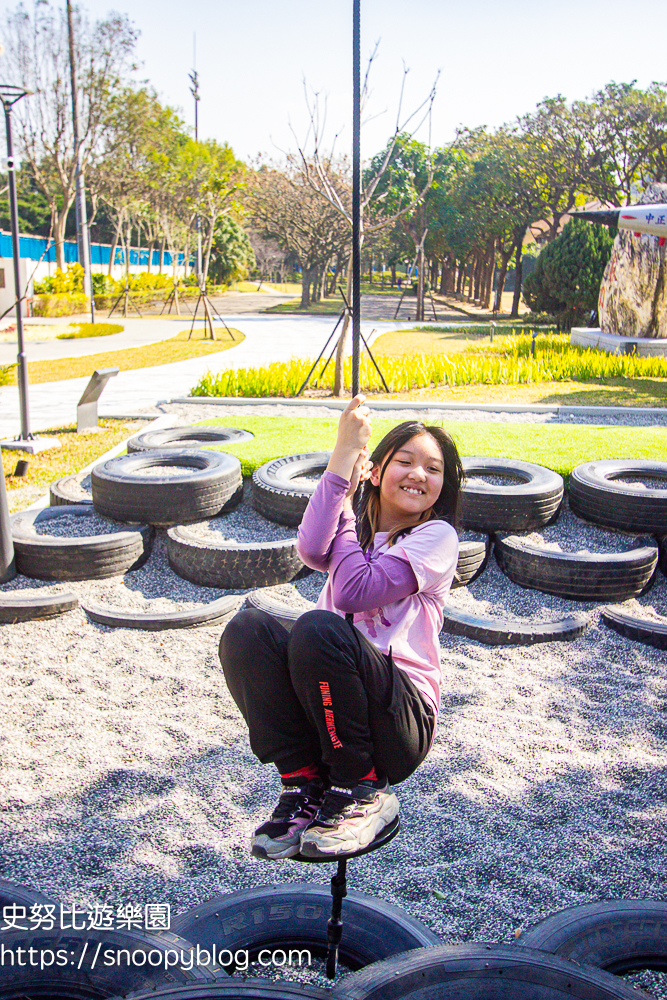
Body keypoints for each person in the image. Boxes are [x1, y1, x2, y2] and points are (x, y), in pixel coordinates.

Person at [219, 395, 463, 861]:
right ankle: (303, 783)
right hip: (331, 711)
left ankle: (361, 793)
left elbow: (353, 591)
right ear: (375, 470)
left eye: (433, 470)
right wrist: (341, 458)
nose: (419, 474)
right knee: (247, 629)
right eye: (405, 461)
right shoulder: (354, 528)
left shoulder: (437, 538)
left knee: (319, 627)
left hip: (398, 723)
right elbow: (311, 548)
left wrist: (349, 512)